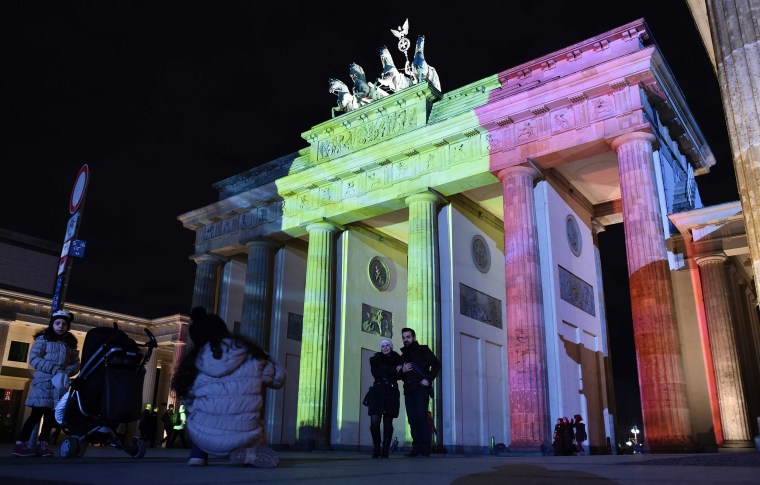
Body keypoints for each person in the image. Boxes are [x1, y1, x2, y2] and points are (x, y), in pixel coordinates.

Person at [171, 307, 285, 467]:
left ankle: (197, 455)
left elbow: (186, 398)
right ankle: (247, 452)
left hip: (202, 436)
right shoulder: (250, 353)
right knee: (247, 426)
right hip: (246, 434)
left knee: (198, 411)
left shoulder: (193, 362)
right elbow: (278, 380)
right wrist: (266, 356)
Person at [12, 309, 80, 457]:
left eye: (64, 324)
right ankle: (20, 444)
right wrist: (54, 368)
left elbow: (76, 363)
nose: (60, 326)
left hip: (59, 385)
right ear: (52, 324)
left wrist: (67, 371)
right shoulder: (43, 339)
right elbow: (34, 358)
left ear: (67, 326)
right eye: (57, 323)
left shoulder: (70, 343)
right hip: (43, 383)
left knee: (50, 417)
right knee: (35, 415)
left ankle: (42, 445)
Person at [399, 327, 441, 457]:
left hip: (421, 389)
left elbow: (436, 365)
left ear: (414, 338)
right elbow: (399, 375)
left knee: (421, 418)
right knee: (412, 420)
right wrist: (403, 371)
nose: (406, 339)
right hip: (408, 391)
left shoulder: (423, 350)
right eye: (404, 337)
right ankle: (416, 447)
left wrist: (428, 379)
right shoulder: (402, 356)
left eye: (408, 337)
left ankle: (425, 448)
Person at [365, 338, 402, 458]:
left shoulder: (398, 359)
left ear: (391, 347)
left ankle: (385, 448)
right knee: (374, 422)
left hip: (391, 391)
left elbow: (399, 375)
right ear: (380, 348)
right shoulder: (375, 359)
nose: (385, 347)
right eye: (383, 346)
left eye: (387, 346)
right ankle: (376, 446)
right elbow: (376, 373)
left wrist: (389, 371)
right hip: (378, 391)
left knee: (388, 421)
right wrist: (392, 370)